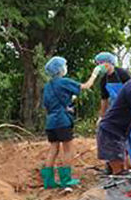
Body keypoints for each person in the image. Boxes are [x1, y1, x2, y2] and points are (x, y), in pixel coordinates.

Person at [41, 56, 103, 189]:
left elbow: (48, 104)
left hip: (51, 122)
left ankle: (48, 182)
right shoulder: (63, 82)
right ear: (59, 69)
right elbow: (86, 86)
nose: (65, 67)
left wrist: (67, 101)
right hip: (62, 120)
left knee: (53, 149)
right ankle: (66, 180)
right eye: (64, 65)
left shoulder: (47, 86)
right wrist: (95, 73)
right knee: (68, 149)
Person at [95, 52, 131, 120]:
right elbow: (104, 98)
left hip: (128, 107)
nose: (100, 66)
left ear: (109, 62)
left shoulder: (122, 73)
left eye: (101, 63)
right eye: (98, 64)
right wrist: (102, 116)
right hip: (115, 108)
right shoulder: (104, 79)